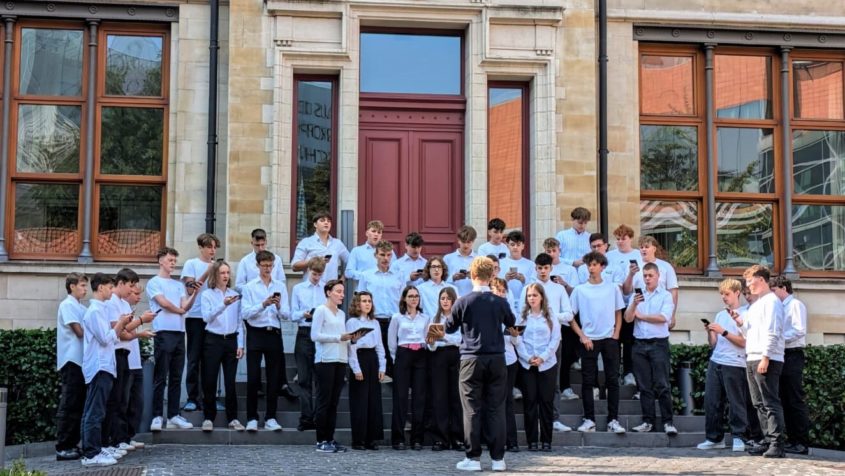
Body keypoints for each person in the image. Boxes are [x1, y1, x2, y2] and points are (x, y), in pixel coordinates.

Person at [447, 256, 515, 472]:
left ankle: (473, 458)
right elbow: (512, 322)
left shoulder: (463, 301)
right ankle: (498, 459)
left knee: (472, 409)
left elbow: (449, 327)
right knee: (496, 408)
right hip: (496, 358)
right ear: (491, 275)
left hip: (471, 358)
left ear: (473, 275)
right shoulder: (500, 301)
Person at [733, 265, 786, 458]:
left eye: (750, 281)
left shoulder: (772, 302)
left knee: (770, 401)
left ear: (761, 280)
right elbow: (750, 332)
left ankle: (777, 443)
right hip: (752, 355)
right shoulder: (757, 304)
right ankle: (767, 439)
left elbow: (774, 330)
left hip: (766, 357)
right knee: (758, 402)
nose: (749, 286)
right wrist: (740, 323)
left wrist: (766, 356)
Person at [570, 251, 626, 434]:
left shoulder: (612, 288)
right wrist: (582, 336)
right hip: (589, 339)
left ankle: (613, 420)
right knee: (588, 381)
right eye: (589, 265)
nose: (591, 268)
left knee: (612, 379)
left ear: (602, 267)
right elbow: (570, 316)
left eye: (595, 264)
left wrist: (616, 333)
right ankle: (589, 419)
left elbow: (619, 311)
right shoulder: (580, 290)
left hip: (609, 338)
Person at [80, 273, 132, 467]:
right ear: (100, 288)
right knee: (94, 411)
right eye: (110, 288)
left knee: (97, 410)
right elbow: (105, 338)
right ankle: (91, 453)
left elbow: (111, 338)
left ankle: (96, 447)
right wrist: (120, 324)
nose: (112, 291)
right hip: (98, 366)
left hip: (105, 366)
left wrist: (119, 325)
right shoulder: (94, 311)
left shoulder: (99, 310)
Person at [697, 278, 752, 452]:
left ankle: (739, 436)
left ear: (737, 293)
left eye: (727, 294)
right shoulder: (721, 314)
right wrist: (711, 333)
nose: (724, 297)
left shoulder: (746, 313)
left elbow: (744, 342)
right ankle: (714, 438)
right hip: (716, 361)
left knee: (736, 402)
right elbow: (714, 344)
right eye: (721, 294)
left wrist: (724, 331)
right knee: (712, 401)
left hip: (735, 362)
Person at [148, 247, 198, 432]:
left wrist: (194, 295)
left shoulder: (178, 285)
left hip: (179, 332)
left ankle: (173, 414)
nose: (173, 263)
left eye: (174, 260)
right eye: (170, 260)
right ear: (160, 260)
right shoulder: (154, 282)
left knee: (176, 376)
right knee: (160, 376)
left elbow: (185, 305)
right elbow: (164, 303)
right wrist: (180, 311)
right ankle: (156, 415)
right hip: (163, 332)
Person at [624, 263, 677, 435]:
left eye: (650, 275)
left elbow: (664, 318)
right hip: (639, 343)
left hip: (658, 343)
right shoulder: (638, 295)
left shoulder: (666, 295)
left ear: (658, 276)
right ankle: (648, 421)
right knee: (644, 386)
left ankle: (668, 422)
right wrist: (633, 305)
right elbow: (628, 318)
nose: (647, 279)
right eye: (645, 275)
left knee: (662, 384)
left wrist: (643, 317)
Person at [240, 250, 290, 432]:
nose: (268, 269)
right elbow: (245, 313)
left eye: (270, 265)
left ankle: (271, 417)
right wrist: (263, 304)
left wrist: (277, 306)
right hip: (256, 332)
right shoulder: (250, 287)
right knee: (253, 377)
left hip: (274, 333)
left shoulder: (280, 286)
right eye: (264, 265)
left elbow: (287, 314)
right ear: (257, 266)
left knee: (274, 378)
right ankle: (252, 417)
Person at [106, 269, 155, 453]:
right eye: (131, 286)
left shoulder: (123, 305)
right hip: (118, 354)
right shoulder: (112, 302)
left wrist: (138, 329)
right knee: (118, 401)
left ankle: (122, 438)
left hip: (127, 355)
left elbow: (128, 332)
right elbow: (122, 333)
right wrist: (142, 320)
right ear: (121, 283)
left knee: (127, 401)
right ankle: (115, 440)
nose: (133, 291)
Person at [312, 279, 360, 453]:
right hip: (325, 360)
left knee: (333, 402)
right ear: (328, 292)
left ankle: (329, 438)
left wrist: (350, 339)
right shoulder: (321, 310)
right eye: (338, 291)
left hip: (340, 360)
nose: (341, 295)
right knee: (324, 401)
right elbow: (314, 335)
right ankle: (320, 440)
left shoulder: (341, 314)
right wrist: (338, 337)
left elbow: (342, 337)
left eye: (342, 291)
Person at [200, 260, 246, 432]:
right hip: (213, 340)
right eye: (222, 273)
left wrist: (240, 344)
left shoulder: (235, 294)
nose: (226, 276)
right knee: (210, 379)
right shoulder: (207, 295)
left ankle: (233, 418)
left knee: (230, 381)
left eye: (227, 273)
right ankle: (208, 417)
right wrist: (223, 305)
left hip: (231, 340)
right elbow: (207, 317)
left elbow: (239, 321)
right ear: (215, 275)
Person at [515, 283, 561, 451]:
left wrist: (542, 357)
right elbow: (516, 339)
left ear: (541, 297)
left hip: (547, 364)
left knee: (546, 403)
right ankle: (532, 441)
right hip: (527, 365)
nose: (532, 298)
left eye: (535, 295)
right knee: (530, 403)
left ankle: (547, 440)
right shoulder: (521, 317)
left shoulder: (550, 316)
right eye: (529, 296)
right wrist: (527, 357)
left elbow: (555, 339)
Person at [180, 233, 220, 412]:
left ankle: (209, 398)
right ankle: (192, 397)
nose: (213, 250)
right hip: (195, 317)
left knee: (211, 360)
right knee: (194, 358)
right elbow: (190, 290)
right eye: (209, 247)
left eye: (215, 247)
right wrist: (208, 271)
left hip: (212, 317)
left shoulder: (217, 266)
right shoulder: (191, 264)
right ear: (201, 247)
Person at [771, 275, 810, 455]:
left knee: (794, 399)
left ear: (783, 288)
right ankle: (792, 439)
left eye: (774, 290)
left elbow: (798, 330)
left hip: (792, 354)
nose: (772, 294)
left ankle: (800, 442)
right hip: (782, 353)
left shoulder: (795, 305)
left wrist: (779, 340)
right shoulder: (779, 306)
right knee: (784, 398)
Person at [388, 285, 430, 450]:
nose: (414, 299)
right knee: (400, 397)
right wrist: (396, 358)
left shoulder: (425, 318)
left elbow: (428, 338)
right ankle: (398, 439)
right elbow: (392, 342)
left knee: (419, 398)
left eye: (416, 296)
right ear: (404, 298)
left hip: (420, 353)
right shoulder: (397, 317)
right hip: (403, 354)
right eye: (411, 296)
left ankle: (417, 439)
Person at [290, 257, 326, 431]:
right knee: (304, 379)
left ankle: (320, 418)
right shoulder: (298, 288)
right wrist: (304, 314)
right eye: (314, 274)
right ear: (308, 270)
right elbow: (292, 314)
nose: (316, 278)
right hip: (304, 332)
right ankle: (306, 418)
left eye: (319, 274)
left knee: (320, 379)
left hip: (321, 335)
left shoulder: (326, 289)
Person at [346, 291, 386, 450]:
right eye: (364, 301)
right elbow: (351, 347)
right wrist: (356, 368)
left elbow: (380, 346)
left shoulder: (375, 323)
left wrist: (382, 366)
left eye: (369, 301)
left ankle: (372, 438)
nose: (367, 304)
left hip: (372, 360)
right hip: (359, 358)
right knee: (359, 401)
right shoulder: (352, 322)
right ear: (357, 303)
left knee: (373, 400)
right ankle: (358, 439)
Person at [55, 273, 89, 461]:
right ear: (72, 286)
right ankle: (63, 446)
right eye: (82, 285)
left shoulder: (80, 307)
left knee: (77, 404)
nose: (85, 289)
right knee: (69, 405)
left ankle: (72, 444)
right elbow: (79, 331)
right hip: (71, 360)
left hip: (80, 361)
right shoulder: (67, 305)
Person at [425, 287, 463, 451]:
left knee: (456, 397)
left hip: (456, 356)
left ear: (454, 301)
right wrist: (432, 341)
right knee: (439, 397)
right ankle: (440, 438)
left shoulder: (459, 318)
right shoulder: (434, 318)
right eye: (442, 298)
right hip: (438, 356)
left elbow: (460, 339)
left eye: (448, 298)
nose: (445, 301)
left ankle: (458, 438)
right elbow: (429, 345)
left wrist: (443, 336)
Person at [607, 225, 642, 387]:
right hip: (612, 305)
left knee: (629, 340)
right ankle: (614, 373)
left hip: (631, 304)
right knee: (613, 340)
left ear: (630, 239)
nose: (620, 242)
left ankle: (629, 372)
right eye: (618, 238)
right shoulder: (609, 256)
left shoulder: (638, 255)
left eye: (624, 238)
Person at [490, 278, 520, 453]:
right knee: (492, 402)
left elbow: (516, 342)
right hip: (492, 360)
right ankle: (493, 439)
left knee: (507, 402)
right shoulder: (486, 311)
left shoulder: (510, 311)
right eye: (496, 290)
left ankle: (512, 440)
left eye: (502, 290)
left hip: (509, 361)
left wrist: (515, 335)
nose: (500, 293)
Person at [623, 236, 679, 330]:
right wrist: (631, 274)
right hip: (638, 310)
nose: (643, 249)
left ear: (654, 249)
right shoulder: (632, 267)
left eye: (646, 247)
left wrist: (672, 315)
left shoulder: (666, 266)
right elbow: (626, 291)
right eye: (641, 247)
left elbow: (673, 291)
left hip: (658, 310)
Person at [123, 284, 148, 450]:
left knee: (136, 403)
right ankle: (120, 439)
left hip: (135, 361)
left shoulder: (128, 307)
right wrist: (141, 322)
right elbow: (121, 332)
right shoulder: (118, 306)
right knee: (124, 402)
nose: (139, 297)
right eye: (136, 293)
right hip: (126, 361)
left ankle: (128, 436)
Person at [291, 211, 349, 283]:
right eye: (322, 220)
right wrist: (314, 261)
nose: (326, 223)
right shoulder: (306, 242)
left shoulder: (337, 243)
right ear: (315, 224)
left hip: (330, 289)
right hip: (311, 287)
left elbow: (351, 262)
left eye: (329, 221)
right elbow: (294, 266)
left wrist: (342, 280)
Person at [498, 230, 535, 299]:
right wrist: (505, 279)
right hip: (505, 301)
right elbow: (494, 285)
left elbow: (535, 286)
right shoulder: (500, 263)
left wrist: (523, 280)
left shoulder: (531, 265)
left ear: (523, 246)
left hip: (525, 303)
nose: (515, 247)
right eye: (512, 244)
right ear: (507, 245)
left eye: (518, 245)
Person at [444, 225, 478, 296]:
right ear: (458, 240)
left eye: (469, 242)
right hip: (453, 299)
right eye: (463, 241)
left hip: (473, 298)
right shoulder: (448, 258)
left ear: (473, 241)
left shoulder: (478, 259)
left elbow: (484, 282)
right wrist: (453, 278)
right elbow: (441, 281)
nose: (466, 245)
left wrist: (473, 276)